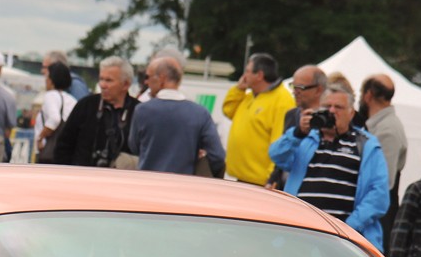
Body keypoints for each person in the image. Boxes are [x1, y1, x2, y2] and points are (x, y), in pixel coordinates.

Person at [272, 82, 390, 246]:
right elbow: (277, 155)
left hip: (345, 240)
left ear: (351, 113)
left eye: (338, 107)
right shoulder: (307, 139)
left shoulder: (366, 144)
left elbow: (379, 195)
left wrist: (346, 229)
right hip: (300, 234)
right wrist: (297, 132)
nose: (332, 111)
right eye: (327, 106)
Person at [126, 55, 225, 175]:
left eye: (148, 76)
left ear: (162, 78)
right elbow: (217, 156)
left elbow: (134, 147)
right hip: (184, 186)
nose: (146, 82)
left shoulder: (142, 110)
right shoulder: (200, 113)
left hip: (149, 183)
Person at [48, 57, 139, 170]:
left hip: (122, 181)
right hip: (83, 179)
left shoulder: (138, 111)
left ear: (125, 84)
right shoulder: (86, 106)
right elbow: (64, 146)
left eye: (109, 80)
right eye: (101, 79)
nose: (102, 85)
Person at [221, 53, 294, 185]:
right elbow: (228, 110)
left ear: (259, 75)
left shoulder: (282, 101)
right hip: (242, 178)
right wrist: (238, 90)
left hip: (261, 182)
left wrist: (272, 178)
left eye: (248, 71)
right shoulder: (250, 95)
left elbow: (280, 141)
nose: (244, 76)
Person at [359, 74, 407, 249]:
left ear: (368, 95)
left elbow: (383, 182)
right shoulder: (380, 126)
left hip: (378, 215)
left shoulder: (388, 130)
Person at [34, 61, 77, 163]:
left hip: (48, 153)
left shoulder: (51, 96)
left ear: (52, 80)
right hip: (66, 153)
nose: (46, 80)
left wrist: (40, 137)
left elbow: (55, 118)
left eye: (47, 76)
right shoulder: (71, 100)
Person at [280, 65, 328, 139]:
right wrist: (298, 132)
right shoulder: (291, 115)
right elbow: (279, 149)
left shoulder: (332, 115)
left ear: (318, 90)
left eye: (300, 87)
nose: (294, 92)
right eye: (293, 86)